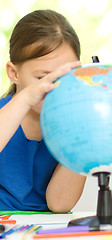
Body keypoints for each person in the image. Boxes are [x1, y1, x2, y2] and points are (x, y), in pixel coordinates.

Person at [0, 9, 86, 212]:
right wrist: (27, 98)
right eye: (42, 78)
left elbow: (59, 204)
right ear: (14, 73)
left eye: (63, 77)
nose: (52, 87)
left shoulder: (71, 126)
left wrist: (83, 139)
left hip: (45, 226)